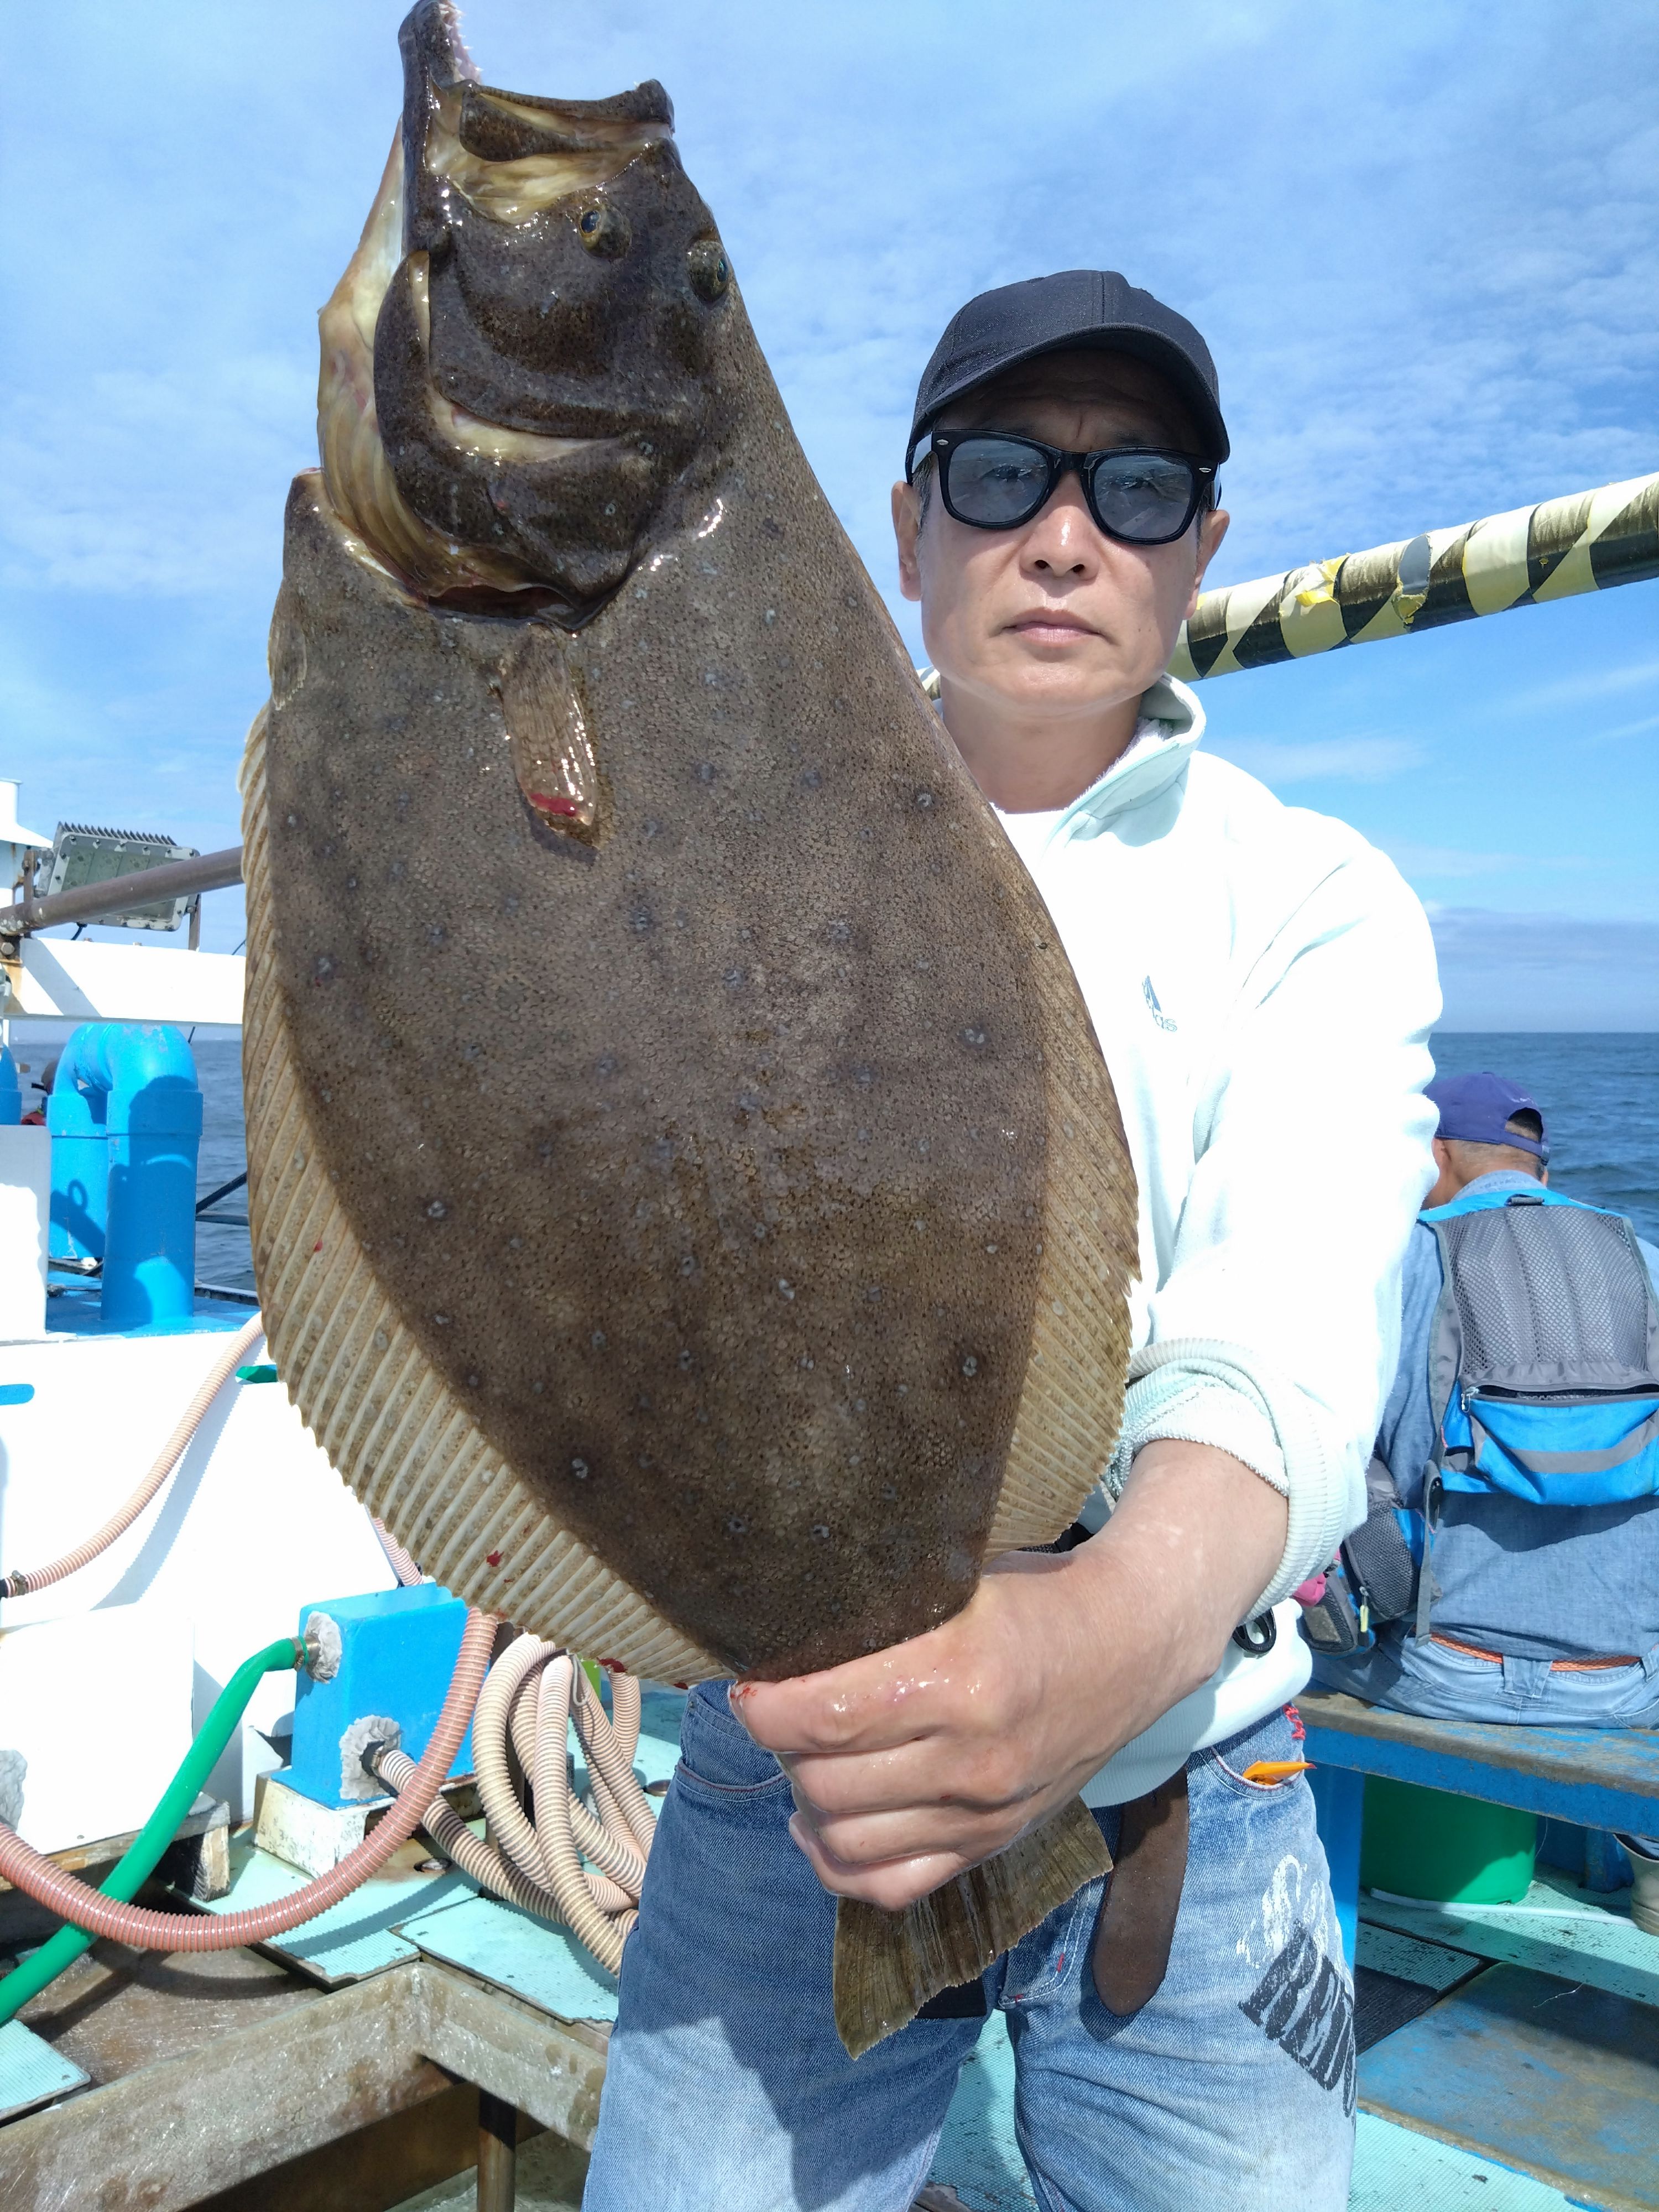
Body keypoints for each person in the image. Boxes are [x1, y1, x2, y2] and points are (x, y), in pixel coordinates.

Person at [583, 271, 1440, 2212]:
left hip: (1194, 1776)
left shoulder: (1315, 894)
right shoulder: (719, 869)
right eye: (999, 475)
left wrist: (1098, 1646)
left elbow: (1291, 1334)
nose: (1065, 535)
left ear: (1202, 548)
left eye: (1137, 490)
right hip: (783, 1765)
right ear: (907, 530)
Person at [1309, 1070, 1659, 1931]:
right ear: (1541, 1168)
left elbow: (1326, 1464)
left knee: (1252, 1653)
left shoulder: (1399, 1266)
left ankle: (1309, 1884)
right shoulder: (1646, 1261)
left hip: (1438, 1672)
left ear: (1435, 1157)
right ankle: (1645, 1857)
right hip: (1629, 1686)